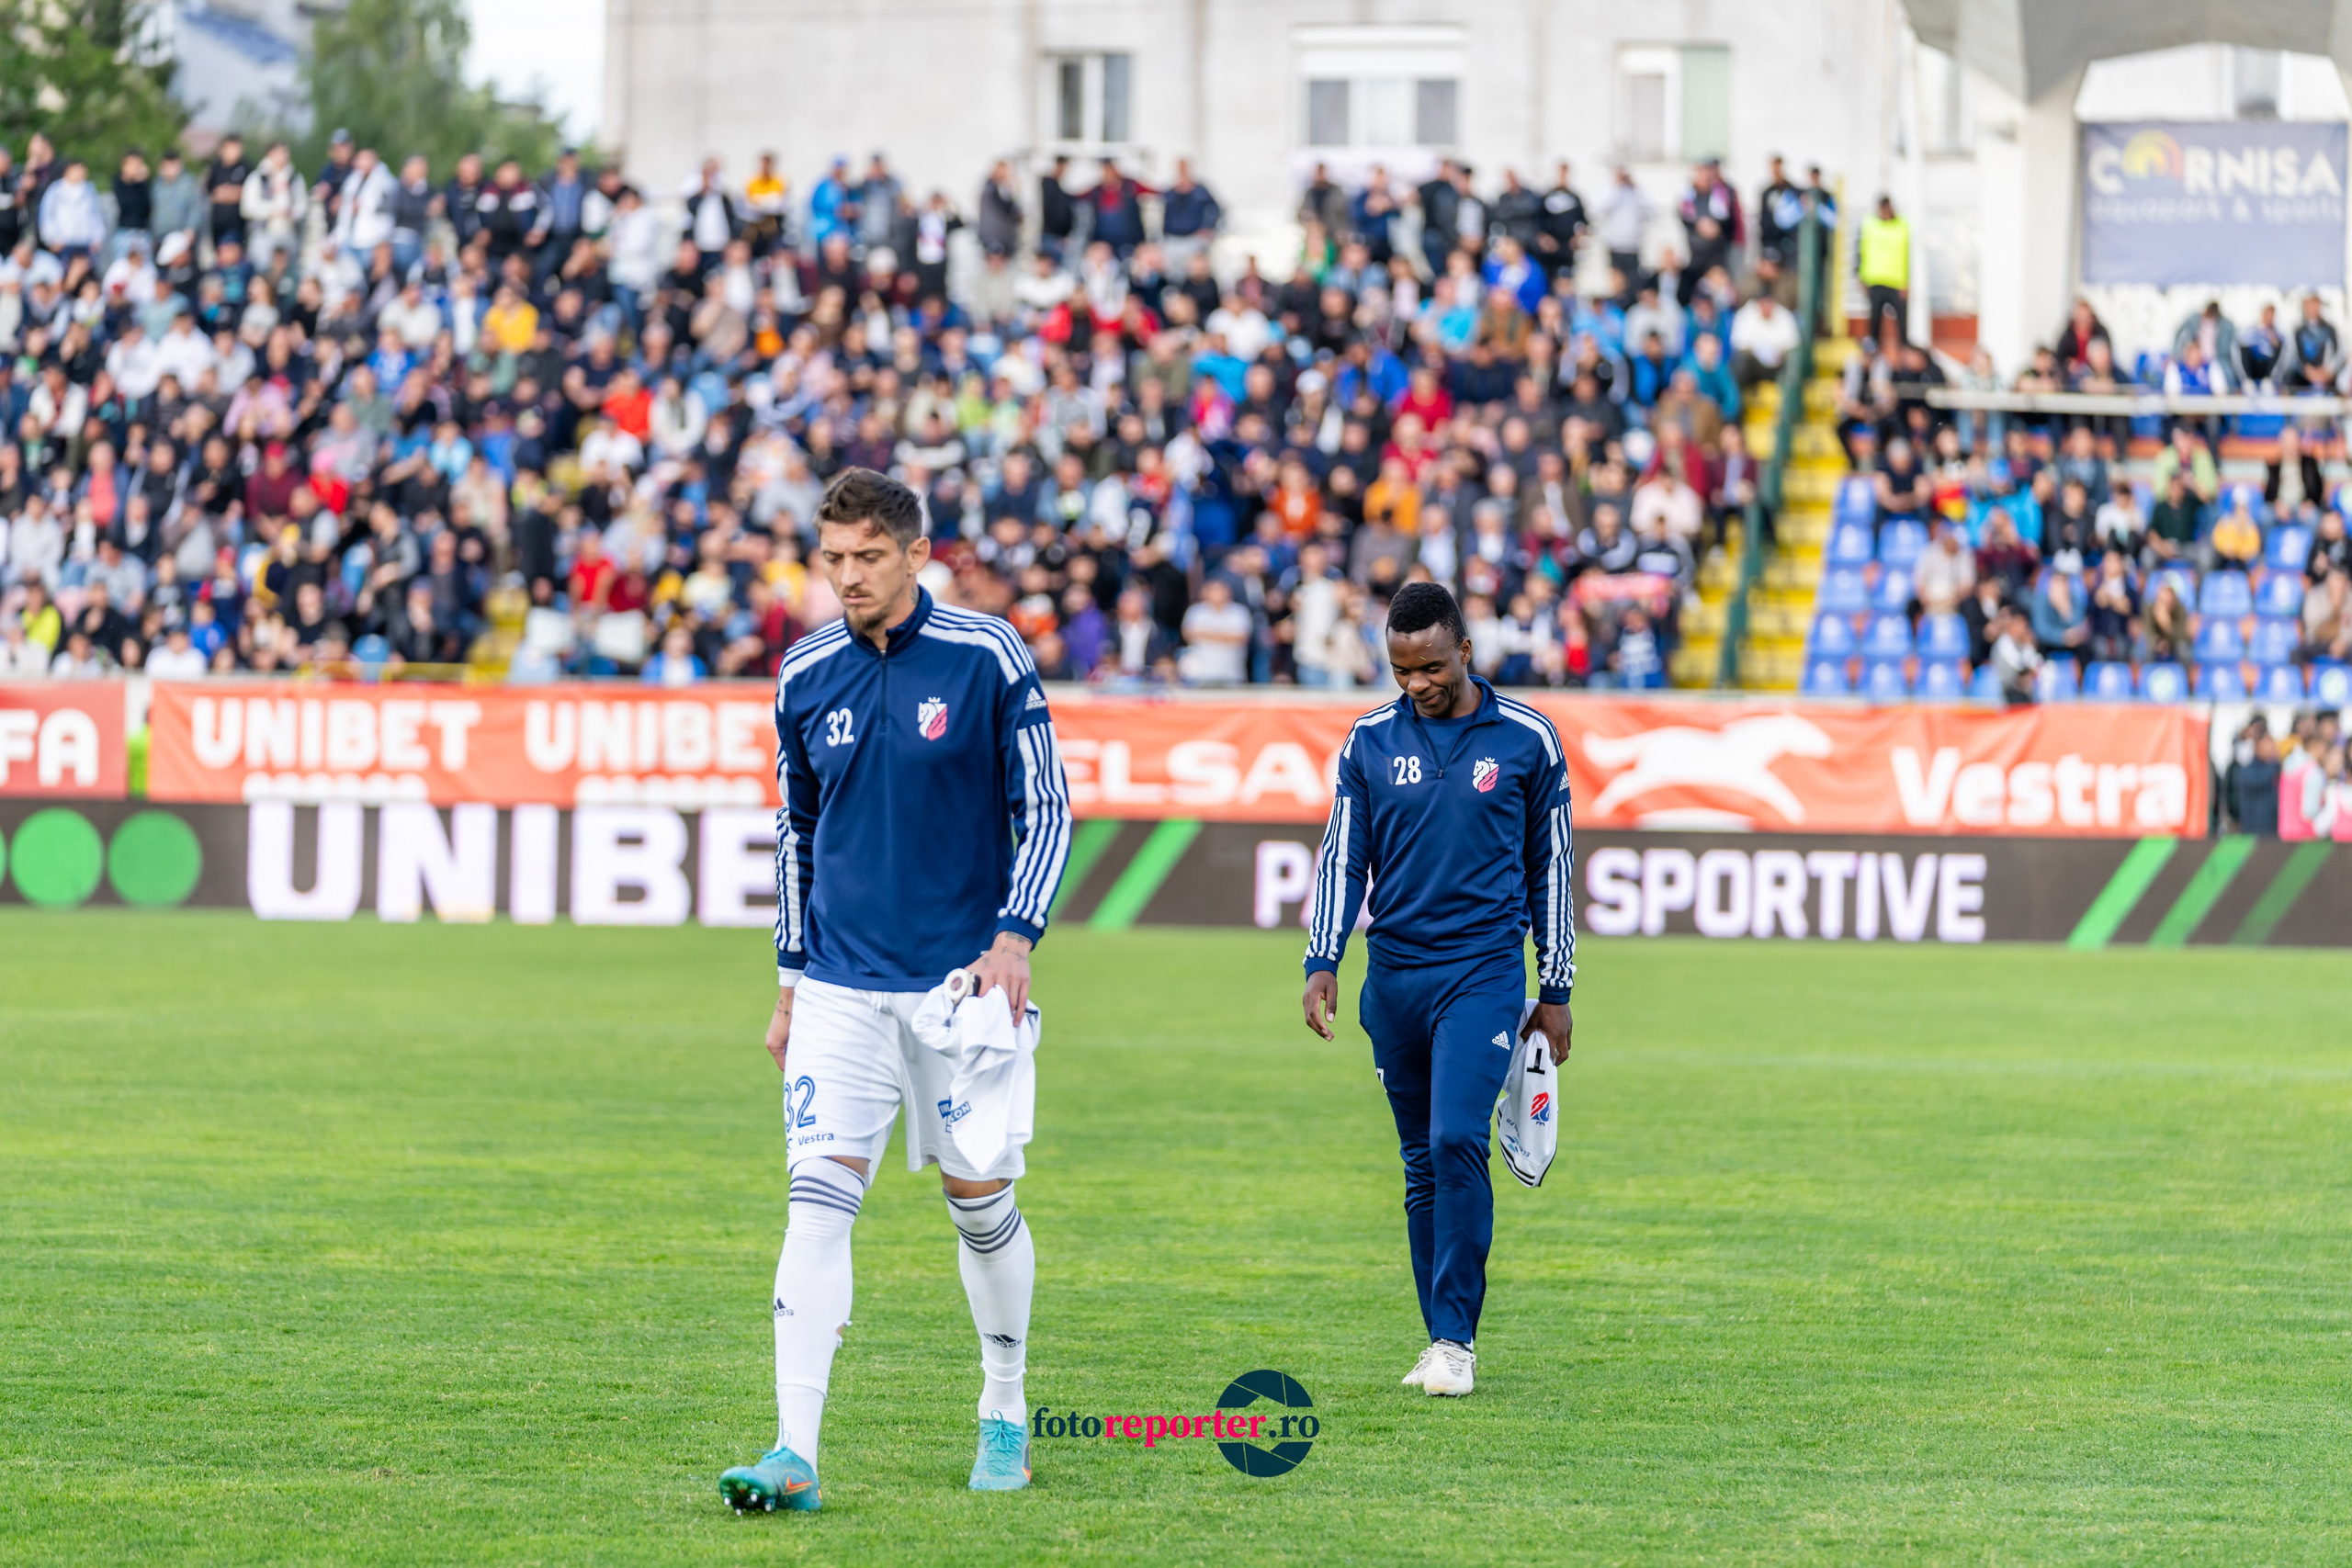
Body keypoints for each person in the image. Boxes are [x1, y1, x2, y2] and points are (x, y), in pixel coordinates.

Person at [718, 468, 1073, 1513]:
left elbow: (1047, 807)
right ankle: (793, 1451)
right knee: (816, 1203)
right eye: (832, 559)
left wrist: (1015, 940)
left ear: (917, 554)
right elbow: (797, 833)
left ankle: (1002, 1406)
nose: (847, 577)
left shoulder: (987, 656)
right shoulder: (803, 671)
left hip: (962, 990)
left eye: (867, 557)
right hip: (836, 985)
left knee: (980, 1207)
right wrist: (788, 983)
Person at [1299, 581, 1575, 1400]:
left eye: (1428, 667)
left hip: (1484, 973)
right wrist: (1323, 959)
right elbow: (1343, 856)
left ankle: (1456, 1340)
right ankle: (1438, 1338)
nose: (1414, 684)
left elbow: (1552, 865)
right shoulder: (1369, 741)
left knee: (1458, 1137)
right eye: (1399, 669)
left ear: (1464, 650)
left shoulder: (1529, 738)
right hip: (1395, 980)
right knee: (1420, 1161)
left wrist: (1554, 985)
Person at [1858, 194, 1909, 344]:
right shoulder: (1869, 224)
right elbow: (1862, 250)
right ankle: (1873, 351)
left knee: (1902, 322)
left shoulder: (1902, 225)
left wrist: (1906, 281)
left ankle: (1904, 351)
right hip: (1875, 280)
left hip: (1896, 281)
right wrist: (1861, 275)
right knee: (1874, 321)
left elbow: (1907, 253)